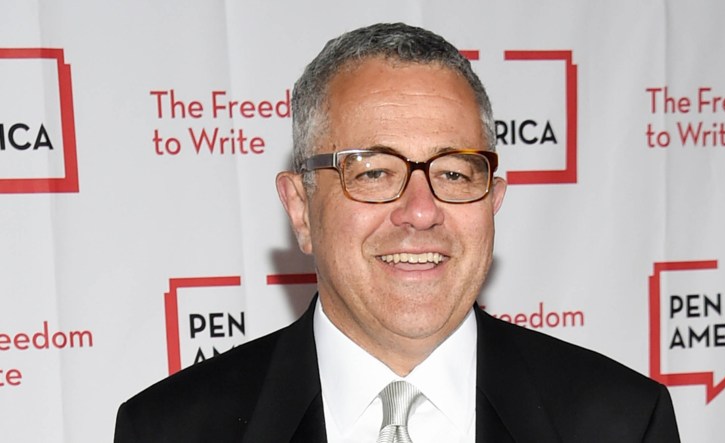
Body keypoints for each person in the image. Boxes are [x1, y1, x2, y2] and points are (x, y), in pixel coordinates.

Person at [114, 23, 680, 442]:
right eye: (375, 172)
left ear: (493, 202)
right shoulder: (171, 429)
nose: (420, 211)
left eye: (455, 173)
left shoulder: (622, 422)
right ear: (300, 209)